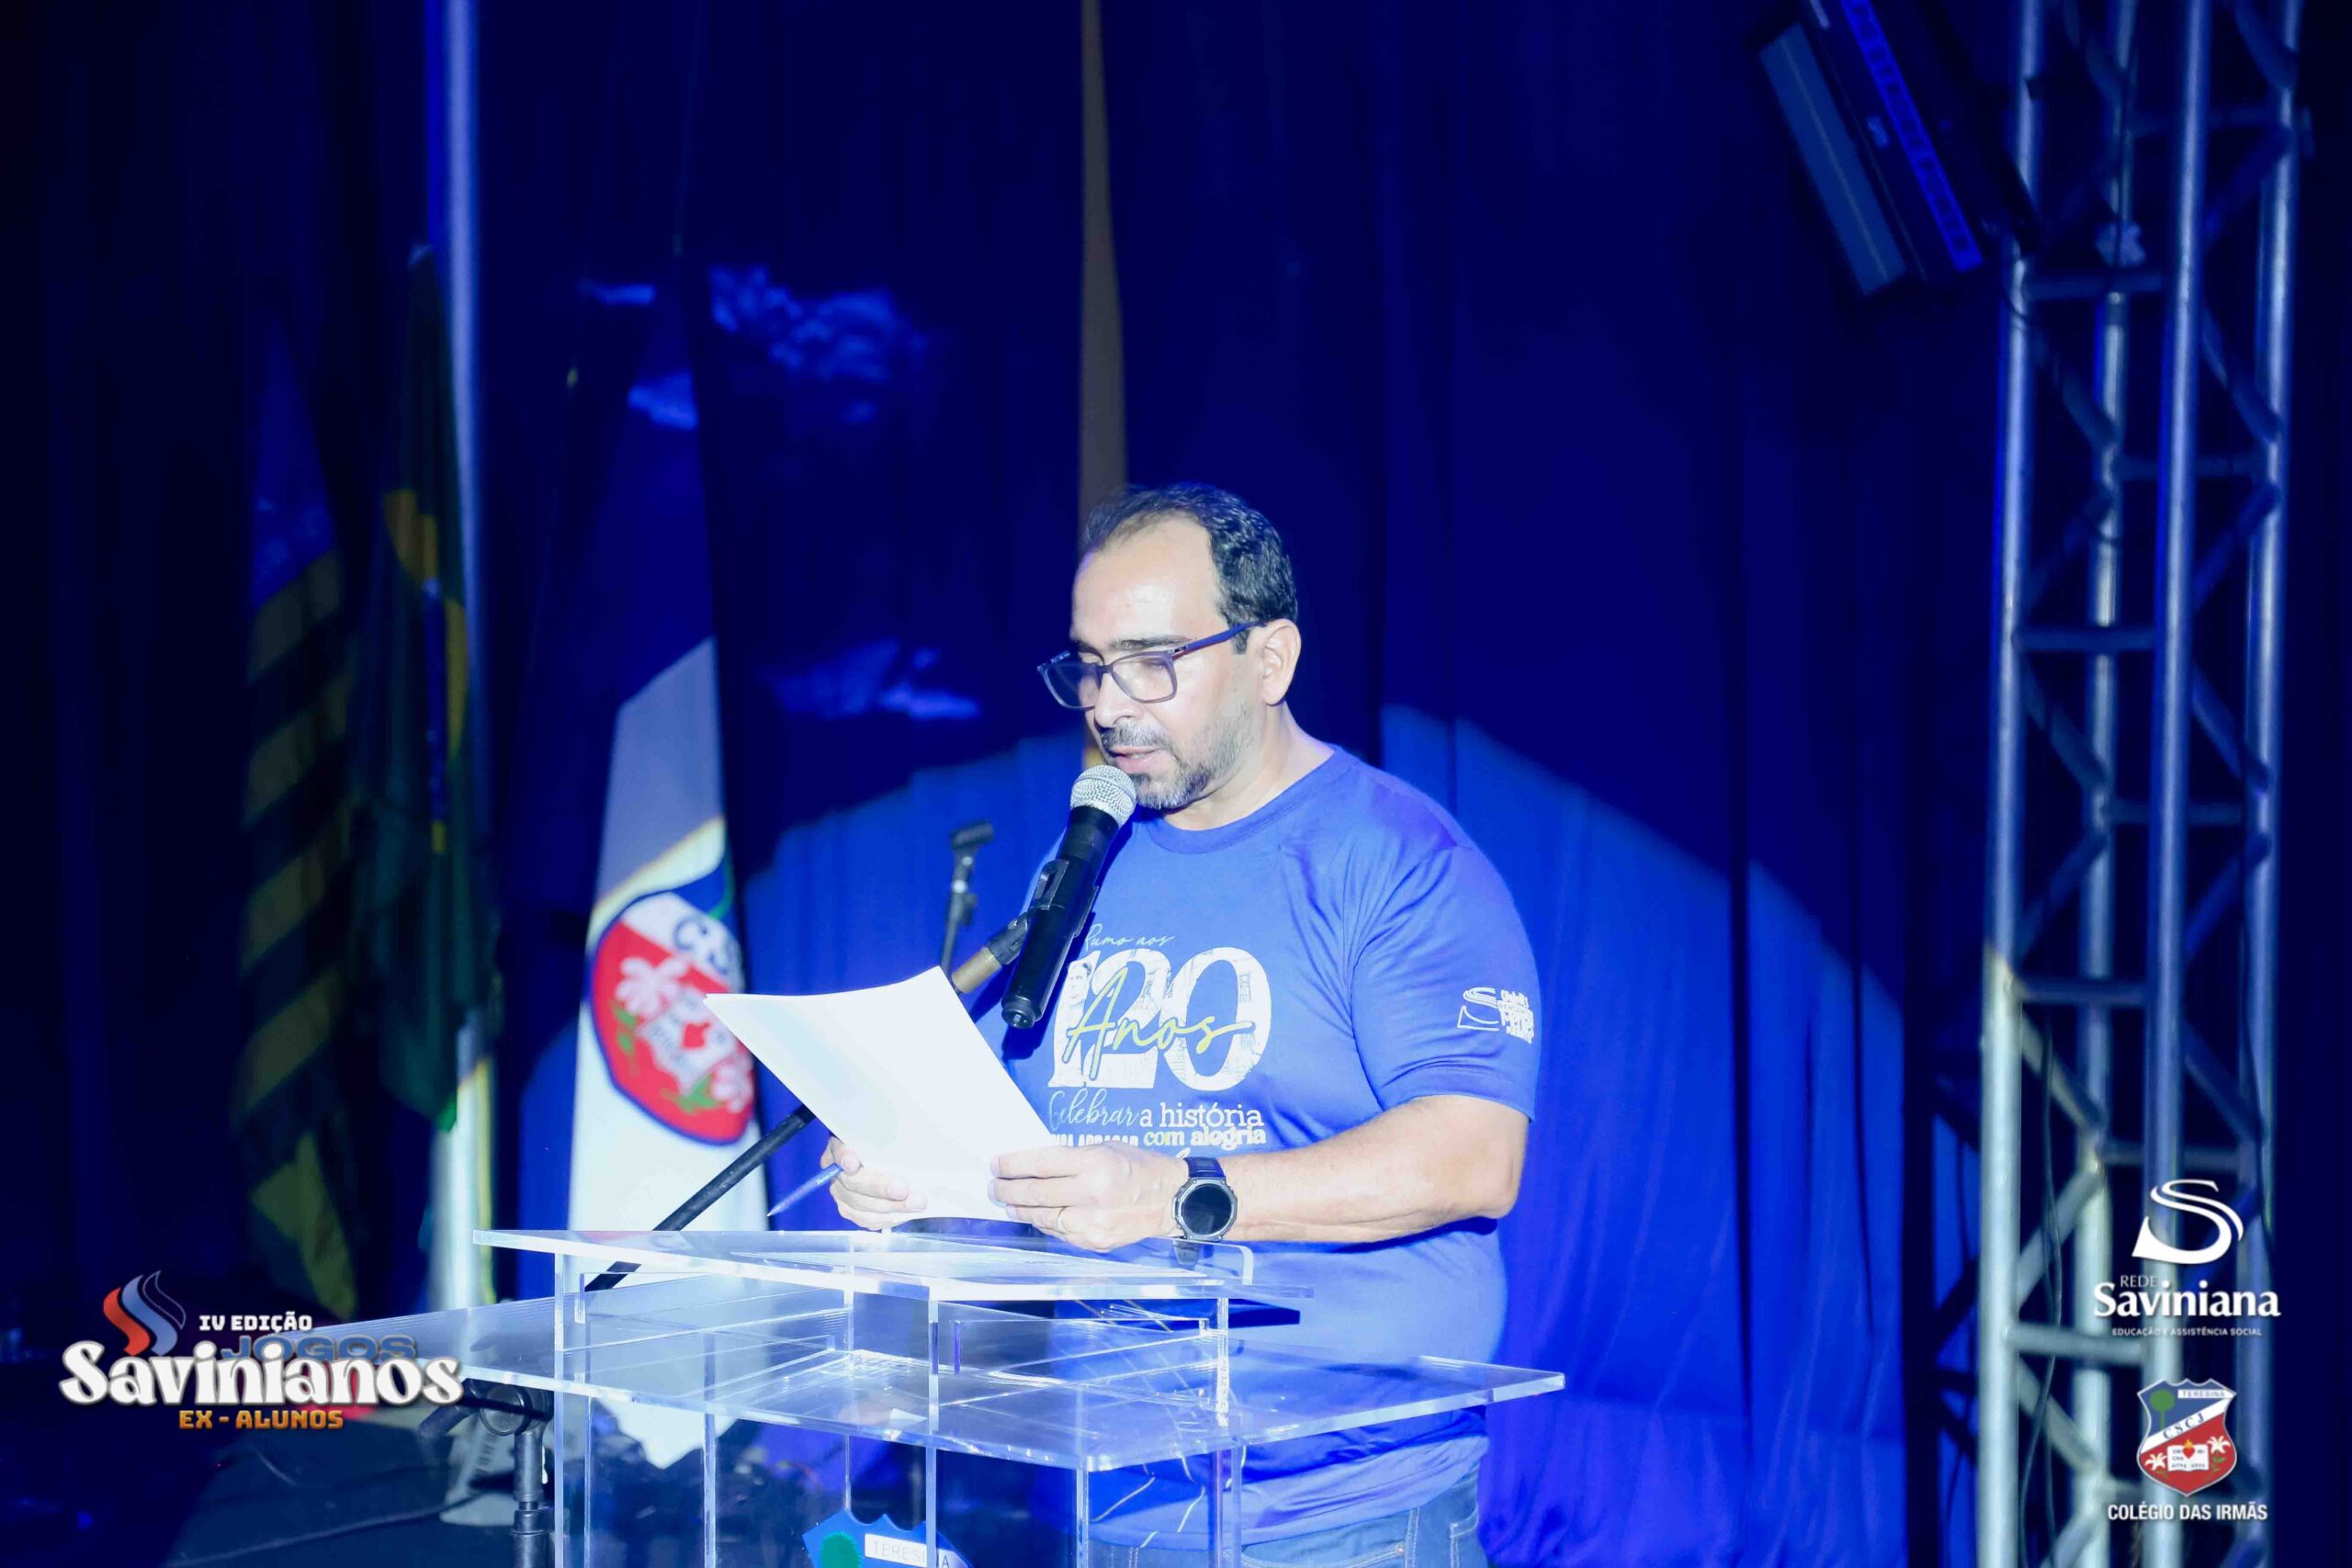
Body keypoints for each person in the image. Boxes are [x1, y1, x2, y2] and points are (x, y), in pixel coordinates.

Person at [826, 482, 1541, 1567]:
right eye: (1088, 666)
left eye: (1152, 661)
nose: (1110, 706)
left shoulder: (1402, 863)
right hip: (1108, 1495)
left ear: (1270, 659)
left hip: (1338, 1517)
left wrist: (1172, 1193)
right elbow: (1039, 1151)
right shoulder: (1088, 860)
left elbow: (1472, 1159)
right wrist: (914, 1179)